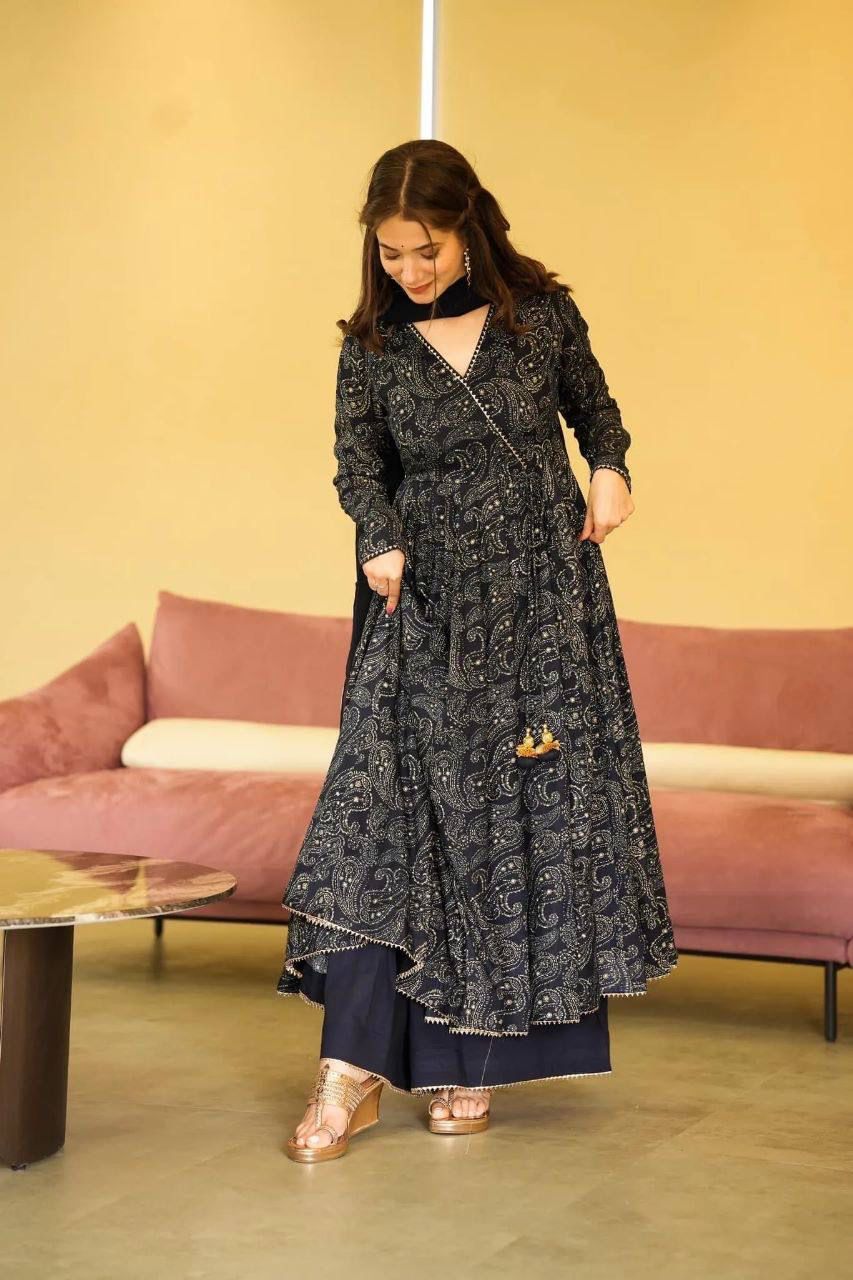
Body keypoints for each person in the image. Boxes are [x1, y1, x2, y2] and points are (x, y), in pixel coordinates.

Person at [277, 139, 678, 1163]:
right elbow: (357, 464)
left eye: (428, 249)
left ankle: (473, 1056)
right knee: (378, 812)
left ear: (469, 229)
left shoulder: (540, 316)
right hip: (421, 597)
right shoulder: (371, 345)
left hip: (540, 599)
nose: (410, 270)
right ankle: (349, 1067)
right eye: (391, 253)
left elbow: (597, 415)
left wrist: (610, 470)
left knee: (509, 819)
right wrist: (378, 535)